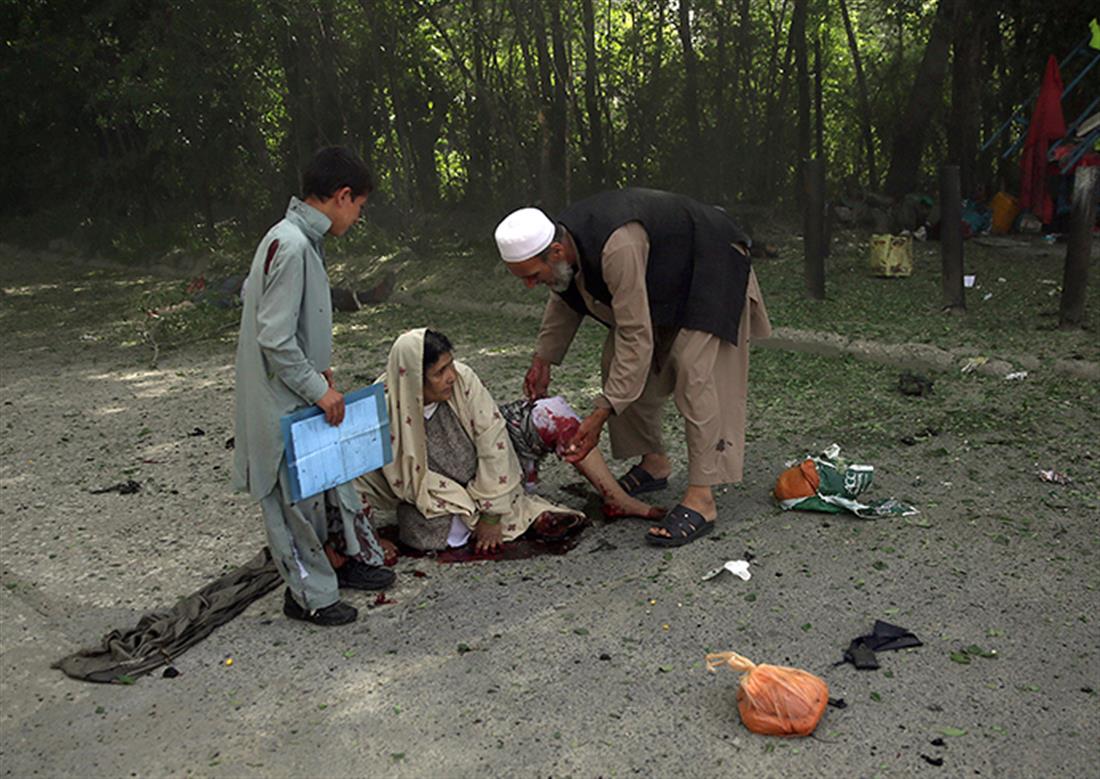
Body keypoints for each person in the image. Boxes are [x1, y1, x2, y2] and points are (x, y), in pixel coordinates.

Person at [494, 188, 772, 547]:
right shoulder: (565, 247)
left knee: (694, 371)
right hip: (666, 277)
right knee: (616, 363)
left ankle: (702, 499)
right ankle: (655, 463)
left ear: (556, 251)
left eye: (531, 275)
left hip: (711, 265)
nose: (530, 285)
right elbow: (565, 296)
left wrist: (600, 414)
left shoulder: (617, 246)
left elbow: (635, 335)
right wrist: (542, 359)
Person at [234, 146, 393, 627]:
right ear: (342, 196)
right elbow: (274, 336)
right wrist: (314, 386)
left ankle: (339, 565)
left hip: (298, 388)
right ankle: (309, 597)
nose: (358, 216)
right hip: (280, 397)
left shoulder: (300, 239)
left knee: (322, 482)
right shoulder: (292, 244)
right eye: (359, 206)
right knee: (292, 503)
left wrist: (318, 373)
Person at [355, 328, 661, 554]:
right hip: (438, 492)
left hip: (498, 465)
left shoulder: (462, 378)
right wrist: (369, 537)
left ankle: (614, 496)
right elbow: (361, 479)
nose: (451, 376)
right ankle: (519, 513)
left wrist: (490, 514)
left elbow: (492, 440)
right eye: (439, 372)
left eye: (451, 365)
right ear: (412, 381)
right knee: (437, 536)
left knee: (553, 413)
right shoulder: (382, 405)